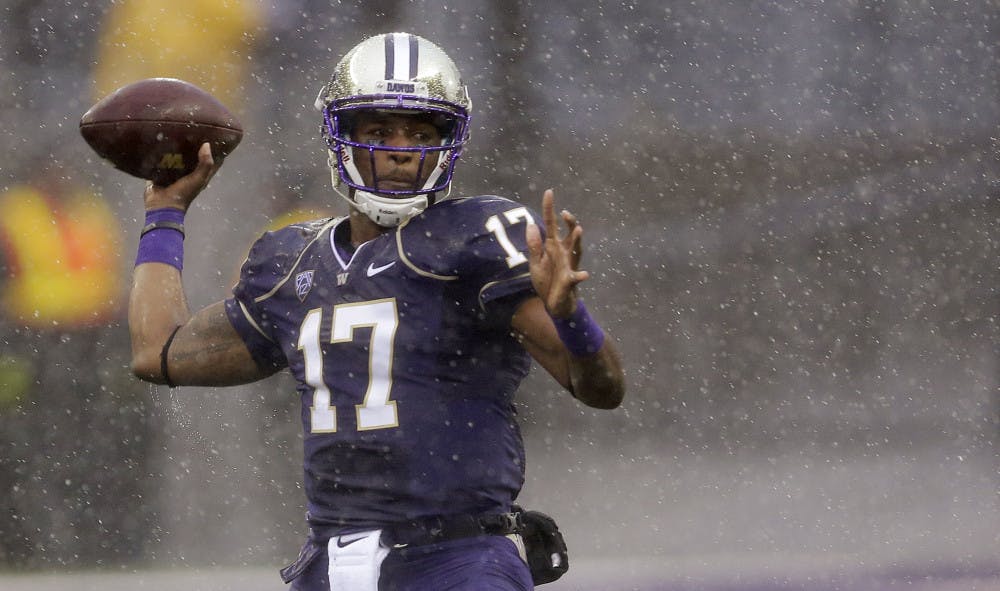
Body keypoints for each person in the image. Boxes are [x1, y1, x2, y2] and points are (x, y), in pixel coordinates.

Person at [128, 33, 624, 590]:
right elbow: (158, 351)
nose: (400, 149)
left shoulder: (476, 238)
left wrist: (572, 318)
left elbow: (601, 388)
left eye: (421, 133)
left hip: (457, 560)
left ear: (448, 142)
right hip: (330, 563)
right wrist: (165, 213)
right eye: (379, 131)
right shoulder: (290, 262)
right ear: (340, 135)